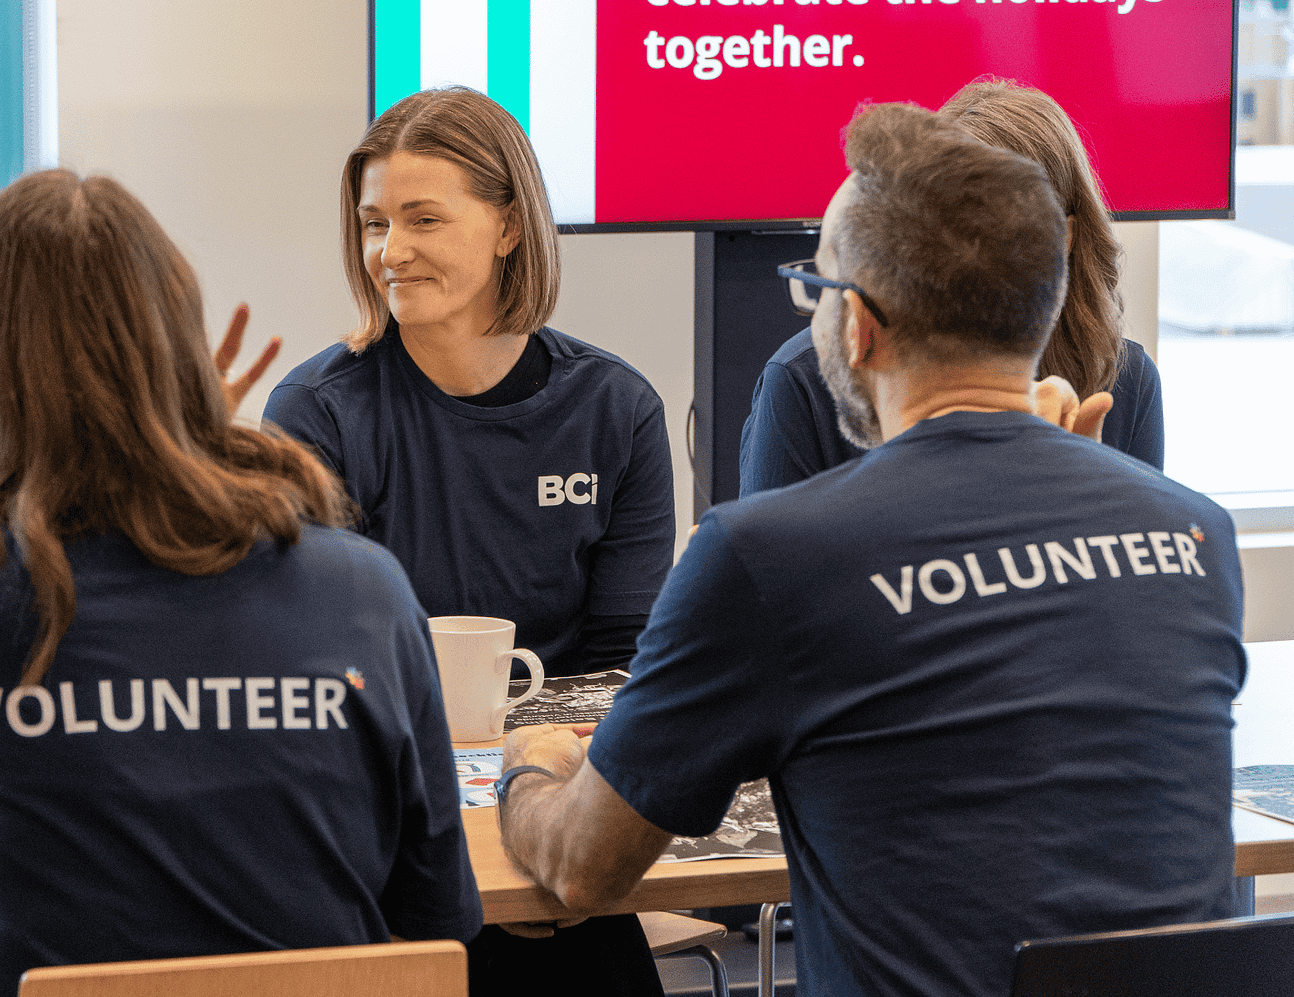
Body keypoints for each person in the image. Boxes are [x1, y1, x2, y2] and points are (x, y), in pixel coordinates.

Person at [494, 103, 1245, 997]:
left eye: (816, 289)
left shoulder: (766, 554)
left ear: (857, 327)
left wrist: (530, 767)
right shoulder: (1198, 534)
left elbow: (584, 870)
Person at [0, 171, 480, 997]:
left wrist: (156, 456)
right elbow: (430, 915)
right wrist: (187, 449)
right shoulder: (362, 587)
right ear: (179, 349)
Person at [263, 87, 675, 995]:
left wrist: (539, 820)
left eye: (422, 219)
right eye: (374, 223)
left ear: (507, 228)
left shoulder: (617, 408)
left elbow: (624, 668)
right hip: (378, 824)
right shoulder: (319, 410)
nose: (389, 252)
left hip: (554, 797)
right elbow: (309, 672)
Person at [739, 77, 1164, 495]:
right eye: (944, 220)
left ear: (1063, 238)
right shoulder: (805, 380)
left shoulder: (1125, 379)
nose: (965, 249)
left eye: (999, 227)